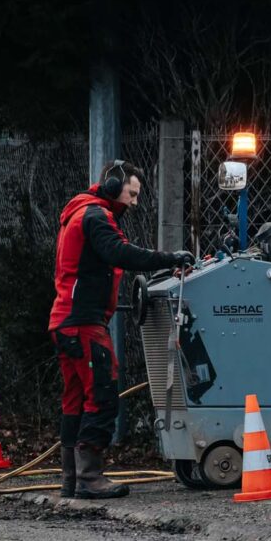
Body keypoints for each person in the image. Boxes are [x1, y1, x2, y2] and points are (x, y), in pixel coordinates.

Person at [49, 160, 193, 499]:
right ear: (114, 187)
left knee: (75, 401)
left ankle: (71, 479)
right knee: (102, 396)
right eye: (132, 192)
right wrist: (170, 258)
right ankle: (89, 478)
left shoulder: (81, 213)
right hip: (83, 323)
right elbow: (120, 253)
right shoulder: (96, 217)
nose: (134, 201)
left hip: (65, 322)